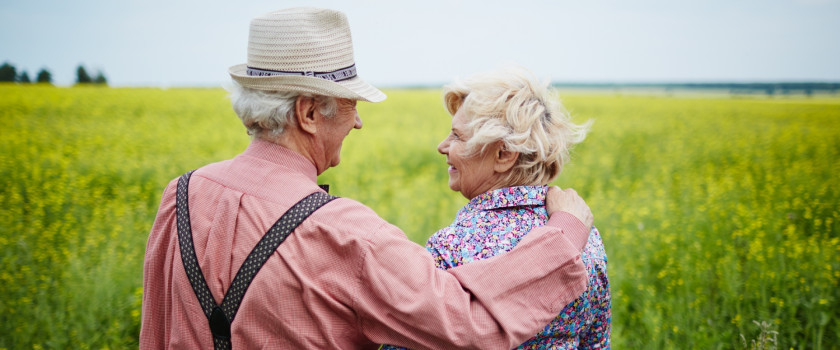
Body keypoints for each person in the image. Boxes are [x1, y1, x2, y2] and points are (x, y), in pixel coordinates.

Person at [140, 8, 595, 349]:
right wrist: (565, 233)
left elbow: (154, 335)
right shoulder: (346, 235)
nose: (357, 123)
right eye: (351, 105)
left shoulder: (179, 197)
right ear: (310, 112)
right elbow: (467, 320)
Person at [383, 67, 610, 349]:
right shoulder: (585, 237)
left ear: (503, 155)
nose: (443, 146)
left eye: (457, 136)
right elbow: (596, 342)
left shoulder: (451, 249)